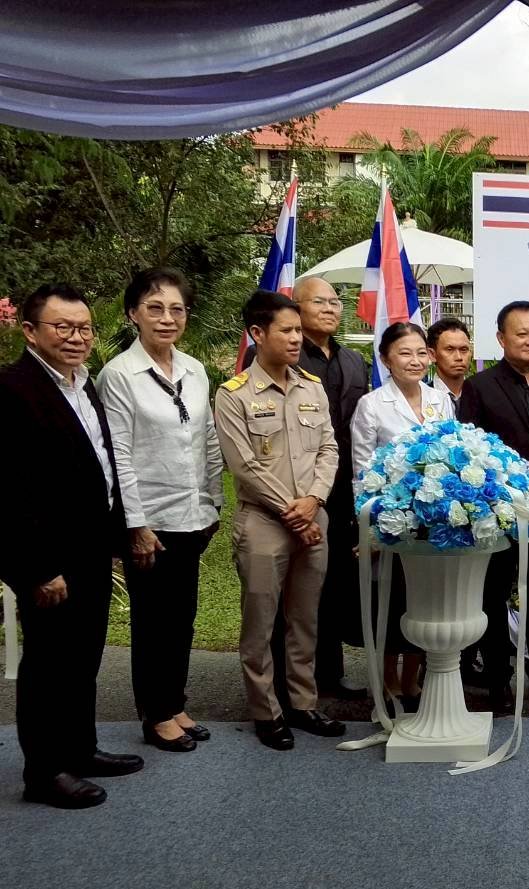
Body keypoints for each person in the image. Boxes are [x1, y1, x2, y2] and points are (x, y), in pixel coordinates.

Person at [0, 283, 143, 807]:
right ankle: (44, 771)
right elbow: (8, 493)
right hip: (48, 560)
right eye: (62, 327)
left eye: (83, 327)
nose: (76, 336)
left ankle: (80, 748)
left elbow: (99, 467)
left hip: (90, 550)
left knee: (82, 658)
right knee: (46, 666)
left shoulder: (83, 385)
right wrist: (36, 569)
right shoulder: (13, 390)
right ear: (30, 331)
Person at [97, 267, 223, 753]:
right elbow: (119, 456)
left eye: (176, 309)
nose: (167, 318)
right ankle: (155, 714)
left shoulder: (193, 369)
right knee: (152, 621)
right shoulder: (120, 376)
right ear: (133, 314)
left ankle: (175, 702)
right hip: (149, 521)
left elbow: (208, 439)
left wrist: (214, 500)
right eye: (155, 308)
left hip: (193, 513)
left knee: (183, 616)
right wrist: (136, 525)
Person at [215, 290, 346, 750]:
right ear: (257, 334)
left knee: (304, 619)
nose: (296, 338)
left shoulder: (312, 387)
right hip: (264, 524)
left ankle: (303, 703)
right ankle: (265, 710)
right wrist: (296, 512)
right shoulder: (233, 395)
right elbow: (244, 468)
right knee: (261, 621)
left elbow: (330, 448)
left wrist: (313, 501)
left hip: (313, 517)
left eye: (298, 330)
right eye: (286, 331)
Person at [246, 276, 368, 700]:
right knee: (288, 593)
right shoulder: (286, 361)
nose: (332, 308)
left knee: (331, 583)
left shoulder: (354, 362)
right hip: (291, 493)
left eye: (337, 301)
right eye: (321, 302)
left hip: (338, 486)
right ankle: (285, 684)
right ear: (295, 308)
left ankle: (327, 676)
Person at [457, 300, 529, 712]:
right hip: (498, 512)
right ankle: (498, 680)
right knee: (494, 594)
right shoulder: (480, 386)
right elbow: (468, 450)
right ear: (502, 338)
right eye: (521, 333)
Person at [350, 322, 454, 711]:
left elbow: (450, 451)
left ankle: (412, 682)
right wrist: (372, 527)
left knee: (423, 598)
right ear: (386, 359)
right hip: (390, 519)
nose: (415, 361)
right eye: (404, 353)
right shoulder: (372, 404)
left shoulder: (439, 400)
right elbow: (362, 471)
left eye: (420, 353)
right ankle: (386, 684)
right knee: (389, 602)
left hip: (432, 519)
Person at [427, 315, 472, 408]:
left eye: (464, 349)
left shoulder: (484, 395)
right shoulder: (420, 398)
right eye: (449, 349)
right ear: (432, 354)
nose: (459, 357)